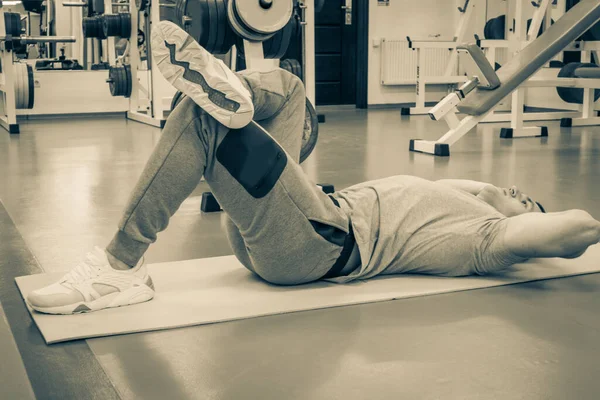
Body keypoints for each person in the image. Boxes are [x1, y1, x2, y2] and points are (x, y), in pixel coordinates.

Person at [26, 21, 600, 315]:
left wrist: (540, 223)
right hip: (298, 220)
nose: (525, 195)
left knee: (204, 119)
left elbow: (572, 229)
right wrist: (495, 189)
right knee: (292, 89)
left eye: (531, 203)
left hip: (317, 244)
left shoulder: (486, 240)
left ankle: (118, 266)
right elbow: (479, 186)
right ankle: (238, 93)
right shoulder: (464, 197)